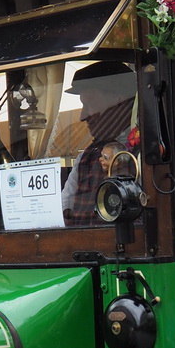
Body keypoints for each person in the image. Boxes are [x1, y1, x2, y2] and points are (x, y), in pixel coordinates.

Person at [61, 63, 136, 226]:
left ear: (118, 101)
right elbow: (63, 207)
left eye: (89, 104)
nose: (83, 116)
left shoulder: (145, 150)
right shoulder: (85, 157)